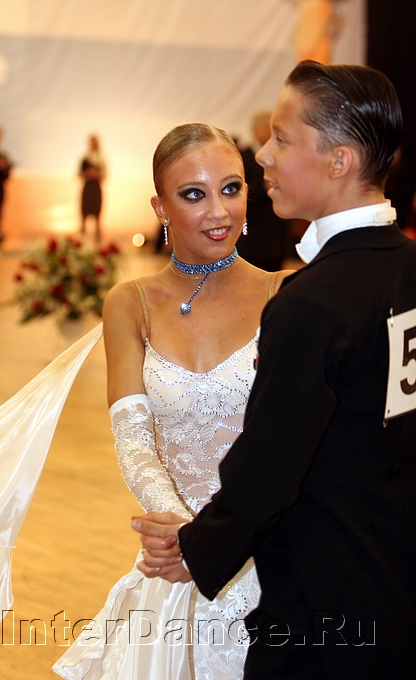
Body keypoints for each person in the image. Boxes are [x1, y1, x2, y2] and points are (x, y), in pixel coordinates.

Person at [133, 62, 416, 679]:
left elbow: (270, 464)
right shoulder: (404, 268)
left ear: (339, 161)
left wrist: (197, 547)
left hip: (322, 613)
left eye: (283, 139)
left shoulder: (314, 302)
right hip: (395, 587)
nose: (262, 155)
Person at [51, 123, 292, 679]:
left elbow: (289, 443)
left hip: (269, 555)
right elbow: (132, 437)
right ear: (160, 207)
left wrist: (218, 541)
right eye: (193, 194)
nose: (218, 211)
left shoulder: (284, 295)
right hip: (173, 554)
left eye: (231, 188)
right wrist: (185, 536)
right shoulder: (130, 302)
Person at [236, 110, 292, 271]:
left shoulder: (282, 156)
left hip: (277, 235)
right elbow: (236, 192)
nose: (270, 132)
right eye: (267, 127)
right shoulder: (242, 157)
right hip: (252, 236)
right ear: (255, 130)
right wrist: (263, 187)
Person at [79, 134, 107, 241]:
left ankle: (98, 242)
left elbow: (104, 175)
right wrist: (88, 174)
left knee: (97, 217)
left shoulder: (101, 159)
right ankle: (81, 242)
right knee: (83, 216)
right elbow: (79, 174)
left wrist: (96, 174)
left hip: (96, 188)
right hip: (87, 188)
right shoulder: (85, 158)